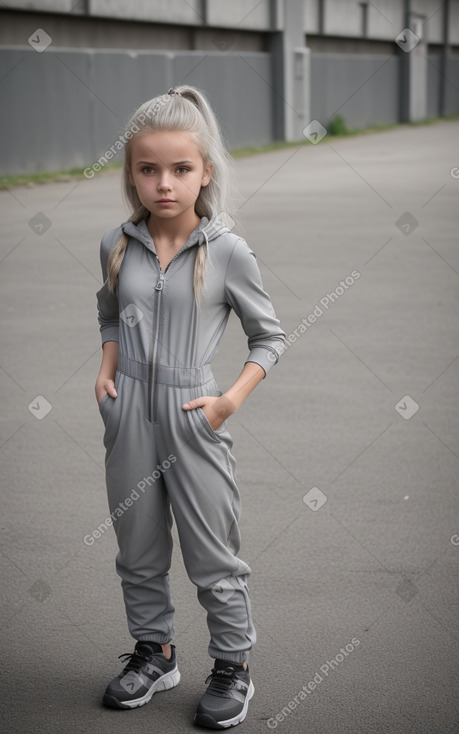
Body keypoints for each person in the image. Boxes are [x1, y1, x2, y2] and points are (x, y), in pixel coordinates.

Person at [95, 85, 285, 729]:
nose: (164, 184)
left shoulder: (227, 250)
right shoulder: (116, 245)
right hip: (129, 417)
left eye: (180, 169)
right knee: (137, 545)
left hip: (193, 412)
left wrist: (227, 401)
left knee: (212, 553)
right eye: (148, 170)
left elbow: (270, 336)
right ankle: (156, 654)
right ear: (132, 175)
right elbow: (108, 315)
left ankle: (233, 666)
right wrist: (106, 373)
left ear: (205, 171)